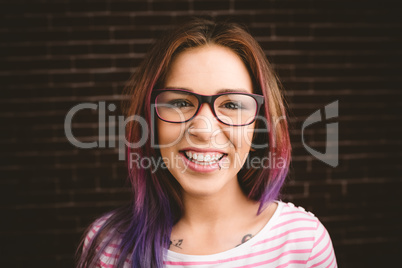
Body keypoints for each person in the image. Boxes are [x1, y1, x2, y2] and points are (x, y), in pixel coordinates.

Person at [76, 18, 337, 268]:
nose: (203, 130)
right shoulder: (107, 246)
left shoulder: (303, 244)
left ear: (258, 125)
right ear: (150, 120)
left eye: (232, 104)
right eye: (180, 102)